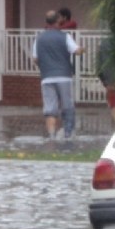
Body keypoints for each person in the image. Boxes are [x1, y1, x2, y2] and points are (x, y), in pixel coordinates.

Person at [34, 10, 85, 139]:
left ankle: (51, 136)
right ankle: (68, 134)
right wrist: (83, 49)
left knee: (50, 108)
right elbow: (76, 51)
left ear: (46, 22)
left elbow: (35, 58)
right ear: (58, 21)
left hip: (46, 78)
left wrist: (44, 67)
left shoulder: (39, 38)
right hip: (64, 77)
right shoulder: (65, 36)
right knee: (67, 105)